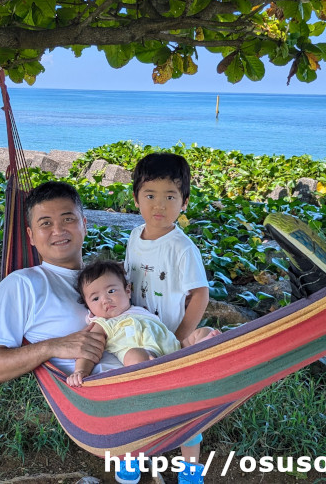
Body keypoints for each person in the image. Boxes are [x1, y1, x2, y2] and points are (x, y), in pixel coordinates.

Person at [0, 181, 119, 387]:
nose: (58, 230)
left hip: (146, 373)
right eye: (46, 223)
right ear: (31, 236)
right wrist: (52, 347)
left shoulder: (111, 277)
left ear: (84, 225)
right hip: (101, 393)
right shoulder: (23, 284)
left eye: (68, 219)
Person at [123, 152, 210, 483]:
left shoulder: (182, 248)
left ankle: (189, 468)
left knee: (182, 405)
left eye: (170, 196)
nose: (158, 205)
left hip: (170, 340)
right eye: (150, 195)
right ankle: (133, 453)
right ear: (136, 198)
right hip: (138, 336)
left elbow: (200, 295)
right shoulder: (134, 237)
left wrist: (180, 336)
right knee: (134, 395)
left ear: (184, 202)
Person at [66, 260, 217, 388]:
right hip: (145, 356)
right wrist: (80, 371)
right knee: (134, 355)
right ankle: (158, 374)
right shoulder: (103, 323)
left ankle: (204, 352)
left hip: (176, 349)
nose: (105, 300)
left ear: (128, 291)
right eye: (95, 299)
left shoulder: (140, 310)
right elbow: (88, 349)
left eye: (111, 291)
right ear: (88, 306)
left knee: (204, 331)